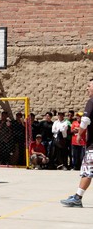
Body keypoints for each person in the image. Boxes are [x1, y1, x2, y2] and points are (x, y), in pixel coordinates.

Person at [61, 79, 93, 207]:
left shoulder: (91, 101)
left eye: (89, 86)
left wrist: (79, 134)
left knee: (87, 170)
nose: (86, 88)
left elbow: (85, 120)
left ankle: (77, 198)